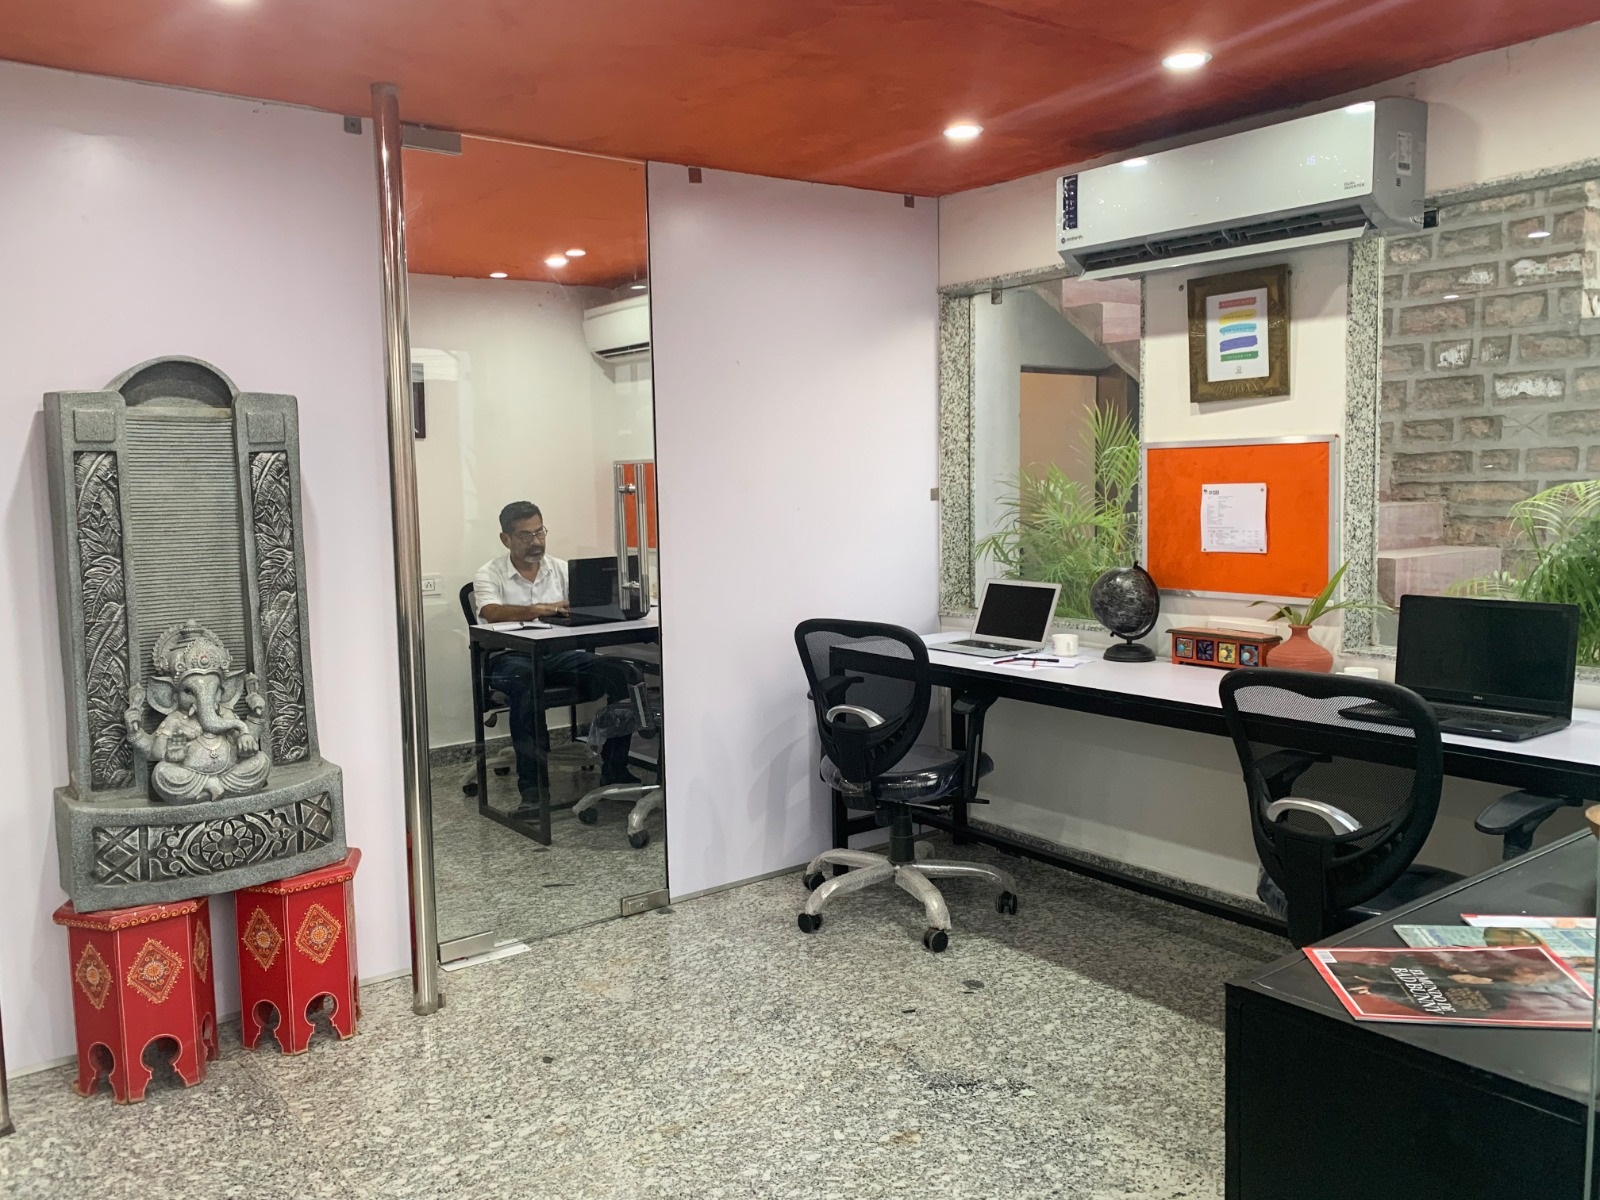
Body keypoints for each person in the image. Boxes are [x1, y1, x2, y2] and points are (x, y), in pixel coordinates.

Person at [474, 500, 637, 819]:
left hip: (560, 656)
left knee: (623, 675)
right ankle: (533, 792)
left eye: (540, 532)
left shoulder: (562, 569)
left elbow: (588, 606)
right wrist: (541, 609)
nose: (535, 541)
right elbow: (490, 612)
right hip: (510, 659)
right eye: (525, 535)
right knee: (526, 681)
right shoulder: (489, 573)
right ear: (506, 539)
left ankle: (615, 771)